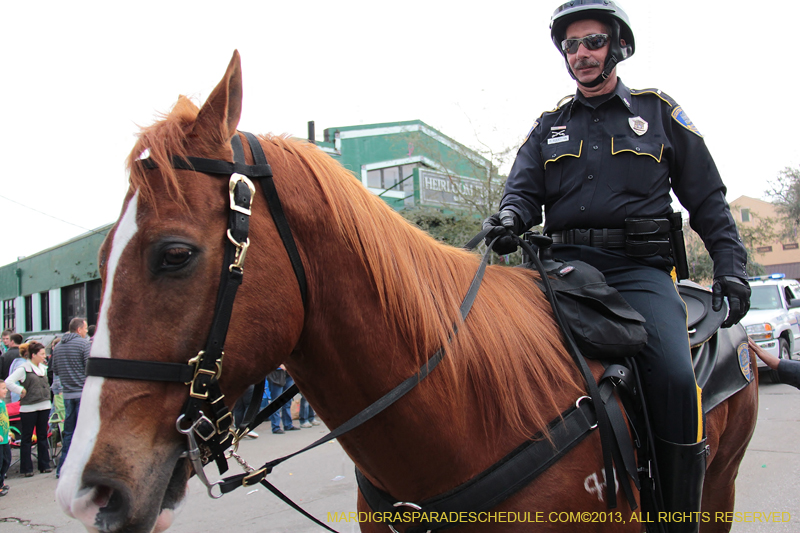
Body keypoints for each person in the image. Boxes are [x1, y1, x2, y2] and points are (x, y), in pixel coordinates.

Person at [482, 2, 750, 531]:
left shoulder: (658, 112)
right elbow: (522, 192)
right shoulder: (549, 126)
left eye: (593, 42)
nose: (580, 54)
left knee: (674, 377)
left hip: (637, 274)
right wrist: (509, 217)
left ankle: (676, 517)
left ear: (619, 46)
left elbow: (707, 200)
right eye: (571, 45)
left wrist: (731, 268)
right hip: (559, 272)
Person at [4, 341, 52, 476]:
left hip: (44, 405)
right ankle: (26, 468)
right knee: (27, 437)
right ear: (33, 355)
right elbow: (8, 381)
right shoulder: (24, 368)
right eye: (41, 354)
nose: (44, 356)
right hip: (28, 407)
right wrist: (20, 390)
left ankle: (44, 464)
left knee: (42, 435)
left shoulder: (43, 368)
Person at [51, 317, 91, 478]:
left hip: (67, 394)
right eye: (85, 328)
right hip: (82, 393)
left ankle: (62, 469)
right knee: (85, 432)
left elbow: (55, 370)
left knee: (69, 433)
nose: (87, 331)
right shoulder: (84, 344)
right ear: (79, 329)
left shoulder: (58, 347)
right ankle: (83, 468)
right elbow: (89, 367)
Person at [267, 366, 298, 434]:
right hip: (277, 373)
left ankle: (288, 424)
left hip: (288, 372)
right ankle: (276, 427)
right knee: (276, 402)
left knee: (287, 401)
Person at [0, 381, 10, 496]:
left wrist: (9, 433)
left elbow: (5, 419)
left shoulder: (2, 403)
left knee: (6, 461)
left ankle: (1, 482)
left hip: (5, 438)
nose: (6, 390)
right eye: (3, 388)